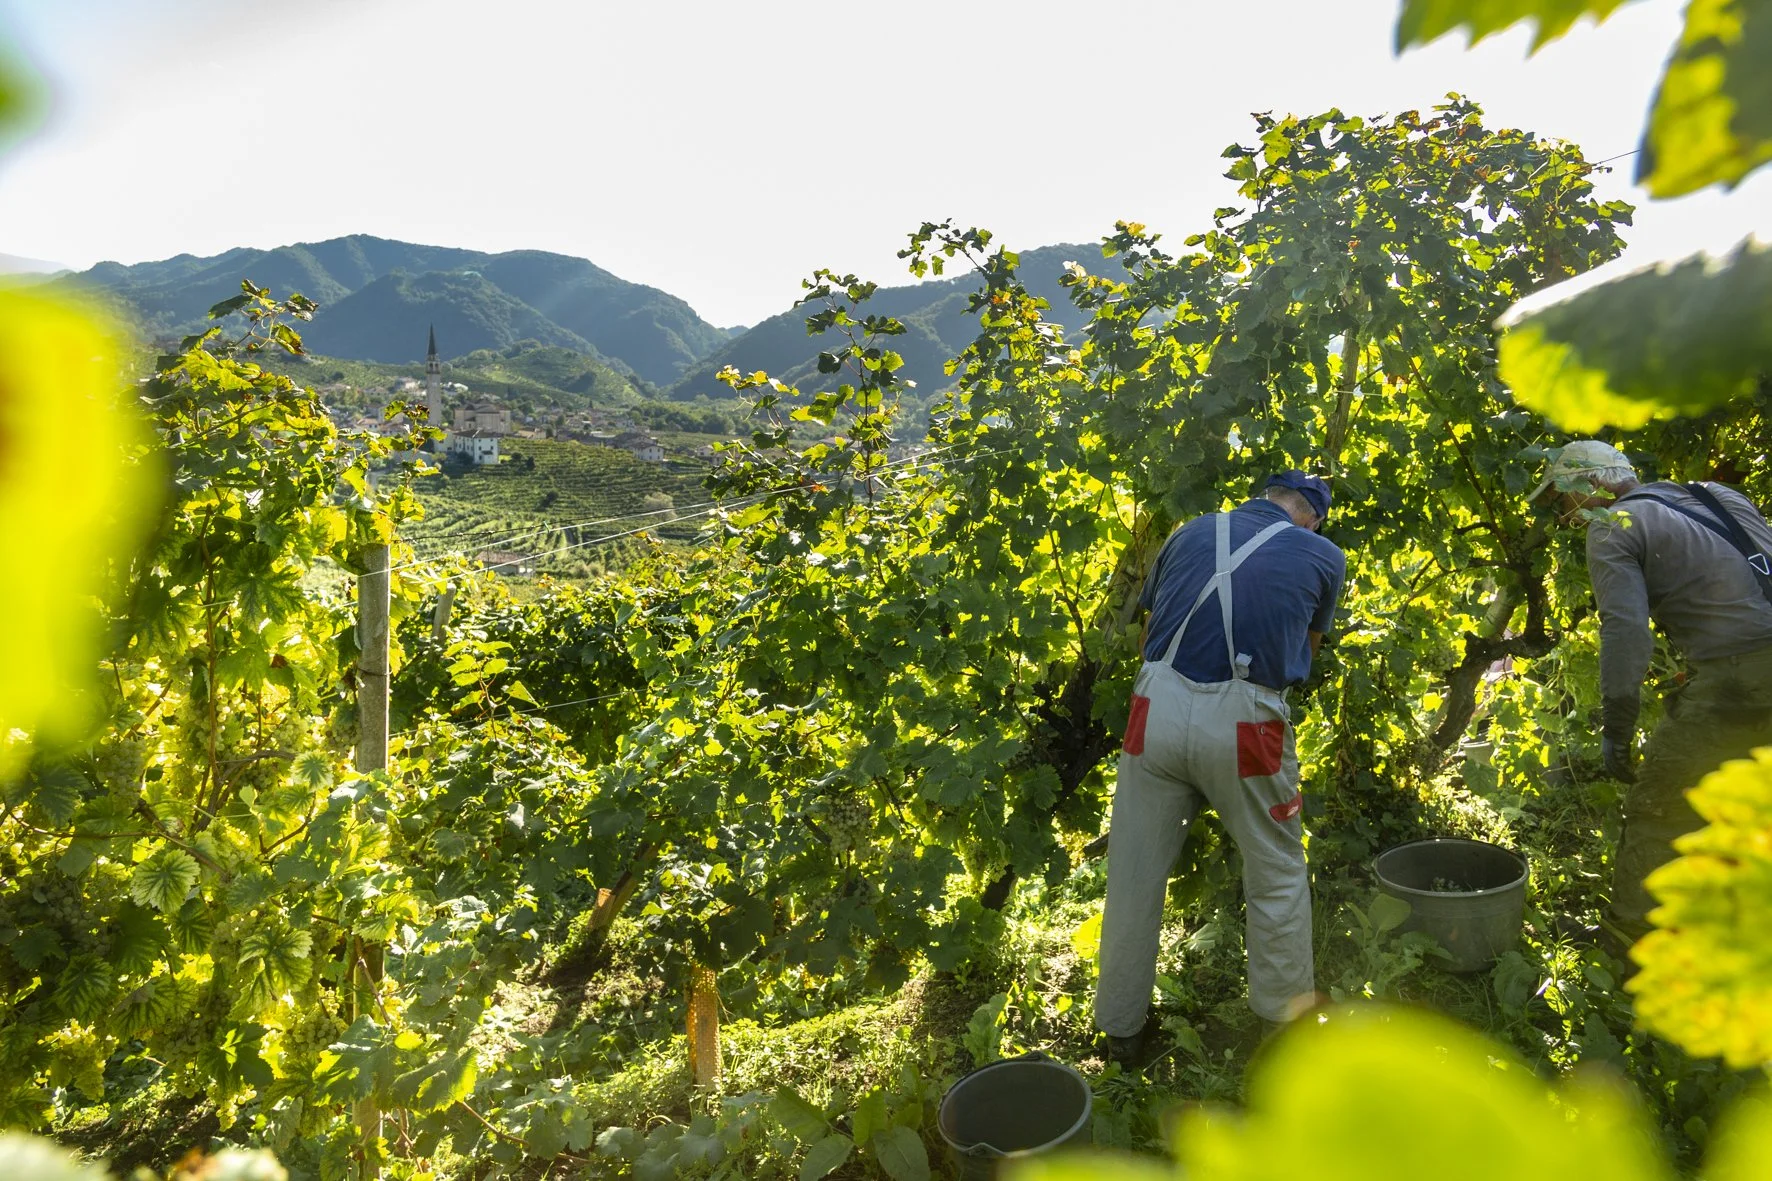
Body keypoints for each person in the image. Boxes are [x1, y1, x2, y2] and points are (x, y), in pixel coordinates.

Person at [1095, 470, 1345, 1062]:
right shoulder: (1324, 555)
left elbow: (1149, 635)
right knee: (1275, 868)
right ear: (1311, 518)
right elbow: (1304, 653)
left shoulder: (1189, 531)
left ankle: (1121, 1031)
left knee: (1133, 870)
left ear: (1264, 496)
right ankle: (1282, 1026)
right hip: (1246, 725)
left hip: (1153, 709)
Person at [1531, 440, 1772, 944]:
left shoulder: (1611, 526)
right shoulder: (1716, 494)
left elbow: (1625, 632)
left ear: (1592, 485)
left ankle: (1626, 943)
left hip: (1740, 678)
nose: (1564, 515)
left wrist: (1617, 727)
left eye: (1562, 498)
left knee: (1658, 807)